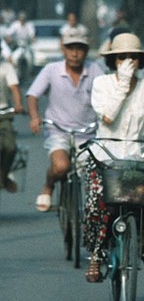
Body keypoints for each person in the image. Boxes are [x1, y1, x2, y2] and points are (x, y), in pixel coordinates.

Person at [83, 32, 144, 283]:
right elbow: (107, 117)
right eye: (122, 57)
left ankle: (142, 238)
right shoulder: (102, 85)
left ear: (139, 61)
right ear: (114, 61)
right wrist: (123, 86)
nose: (127, 62)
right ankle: (96, 256)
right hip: (106, 155)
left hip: (136, 155)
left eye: (132, 58)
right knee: (98, 204)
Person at [27, 28, 104, 212]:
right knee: (61, 166)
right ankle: (48, 186)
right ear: (63, 49)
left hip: (88, 133)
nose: (75, 53)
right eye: (71, 48)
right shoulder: (51, 69)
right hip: (58, 130)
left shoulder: (95, 70)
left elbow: (107, 95)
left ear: (86, 51)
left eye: (79, 48)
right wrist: (35, 117)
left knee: (98, 176)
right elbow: (32, 95)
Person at [0, 53, 23, 192]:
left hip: (3, 114)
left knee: (10, 147)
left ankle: (3, 176)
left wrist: (18, 104)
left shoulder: (6, 67)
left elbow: (14, 87)